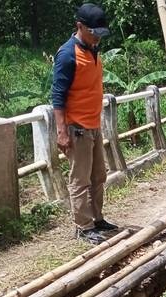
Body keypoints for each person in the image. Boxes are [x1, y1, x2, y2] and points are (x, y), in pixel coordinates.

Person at [51, 3, 117, 245]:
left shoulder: (93, 48)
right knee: (80, 179)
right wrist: (62, 133)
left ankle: (97, 219)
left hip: (93, 124)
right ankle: (84, 226)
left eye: (101, 33)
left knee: (99, 175)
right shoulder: (68, 54)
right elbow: (58, 96)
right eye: (94, 32)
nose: (98, 38)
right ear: (80, 26)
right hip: (76, 127)